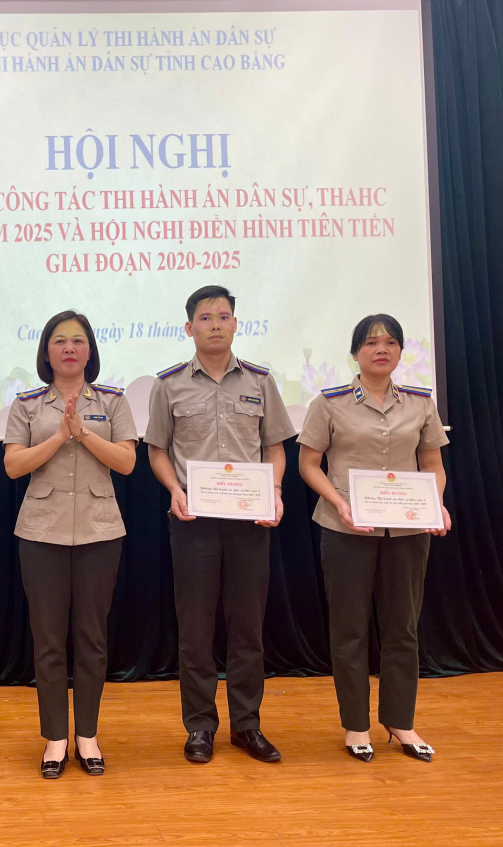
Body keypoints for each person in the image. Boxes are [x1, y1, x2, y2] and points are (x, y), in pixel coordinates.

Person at [145, 285, 295, 764]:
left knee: (247, 627)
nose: (215, 324)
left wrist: (274, 491)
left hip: (250, 519)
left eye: (223, 316)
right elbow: (157, 451)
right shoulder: (169, 384)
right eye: (205, 317)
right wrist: (174, 489)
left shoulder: (260, 381)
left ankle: (247, 726)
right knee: (195, 628)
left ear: (235, 324)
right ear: (189, 327)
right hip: (194, 521)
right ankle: (200, 726)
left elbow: (274, 448)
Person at [297, 314, 450, 763]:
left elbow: (432, 464)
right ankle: (356, 725)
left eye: (390, 342)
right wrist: (339, 502)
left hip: (407, 529)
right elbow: (309, 464)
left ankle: (400, 722)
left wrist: (436, 504)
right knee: (349, 629)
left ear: (401, 351)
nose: (381, 349)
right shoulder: (329, 403)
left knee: (403, 628)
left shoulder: (421, 403)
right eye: (370, 342)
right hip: (345, 528)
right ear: (355, 353)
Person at [4, 311, 138, 779]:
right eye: (59, 341)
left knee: (92, 638)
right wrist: (60, 436)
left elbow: (126, 463)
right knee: (48, 640)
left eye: (78, 341)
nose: (69, 348)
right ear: (46, 352)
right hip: (41, 532)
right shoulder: (26, 404)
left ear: (89, 350)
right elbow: (13, 466)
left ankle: (88, 735)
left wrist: (83, 433)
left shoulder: (113, 401)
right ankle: (55, 738)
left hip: (100, 531)